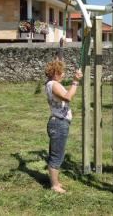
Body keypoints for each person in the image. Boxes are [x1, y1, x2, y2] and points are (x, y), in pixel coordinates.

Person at [44, 60, 83, 193]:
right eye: (61, 72)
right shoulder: (53, 84)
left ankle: (55, 181)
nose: (63, 74)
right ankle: (54, 185)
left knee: (56, 153)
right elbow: (67, 97)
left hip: (58, 122)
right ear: (55, 73)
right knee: (57, 155)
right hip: (58, 123)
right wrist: (75, 81)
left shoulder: (52, 83)